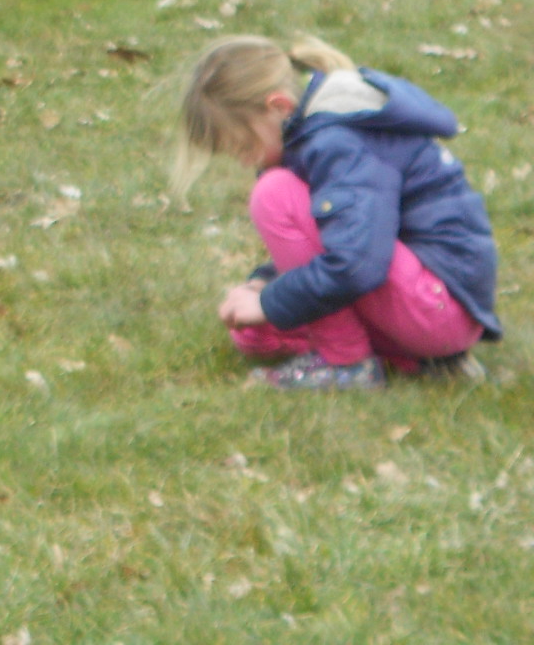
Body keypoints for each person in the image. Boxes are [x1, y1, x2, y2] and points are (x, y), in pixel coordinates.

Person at [173, 34, 499, 389]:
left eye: (244, 146)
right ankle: (419, 360)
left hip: (438, 307)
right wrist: (264, 286)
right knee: (253, 334)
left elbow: (358, 262)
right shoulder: (309, 137)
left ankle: (347, 362)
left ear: (279, 107)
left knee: (273, 194)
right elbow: (339, 233)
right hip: (424, 306)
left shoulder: (338, 143)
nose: (245, 161)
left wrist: (270, 302)